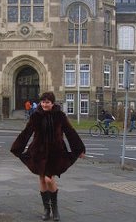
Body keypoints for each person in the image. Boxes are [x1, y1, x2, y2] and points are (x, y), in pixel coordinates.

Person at [11, 91, 85, 221]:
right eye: (43, 102)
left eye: (48, 102)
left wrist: (79, 149)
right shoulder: (35, 116)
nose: (45, 104)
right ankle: (47, 209)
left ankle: (55, 209)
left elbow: (70, 131)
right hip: (38, 152)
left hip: (55, 153)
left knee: (49, 179)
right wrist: (17, 148)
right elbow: (27, 132)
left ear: (52, 103)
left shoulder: (60, 116)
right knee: (42, 179)